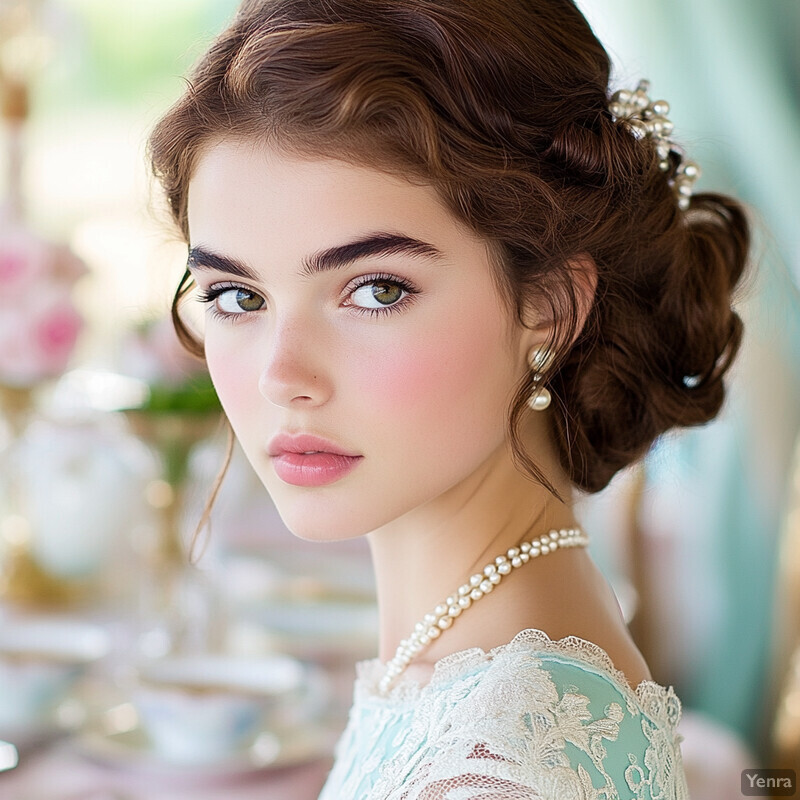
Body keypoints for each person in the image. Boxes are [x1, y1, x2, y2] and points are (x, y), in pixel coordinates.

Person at [148, 0, 750, 796]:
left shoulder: (490, 775)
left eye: (377, 289)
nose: (281, 376)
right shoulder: (507, 656)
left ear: (551, 307)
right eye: (236, 296)